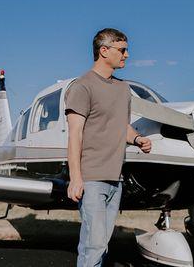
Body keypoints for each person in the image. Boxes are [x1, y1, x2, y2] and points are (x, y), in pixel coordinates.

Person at [65, 28, 152, 267]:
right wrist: (76, 178)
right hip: (92, 178)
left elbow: (120, 126)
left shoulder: (123, 88)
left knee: (101, 243)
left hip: (116, 178)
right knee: (93, 245)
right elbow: (75, 134)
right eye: (122, 50)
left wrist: (137, 139)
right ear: (104, 51)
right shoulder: (82, 86)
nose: (126, 55)